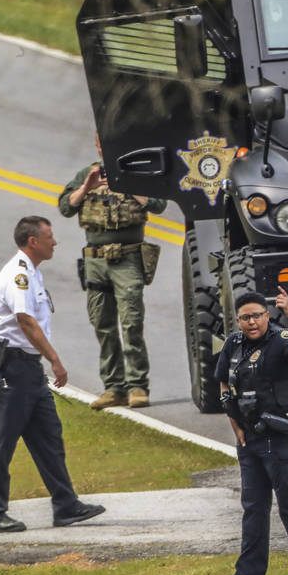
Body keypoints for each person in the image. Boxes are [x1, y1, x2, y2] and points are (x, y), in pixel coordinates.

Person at [0, 216, 105, 533]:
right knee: (3, 441)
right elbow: (26, 321)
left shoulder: (32, 273)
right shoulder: (18, 275)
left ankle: (65, 505)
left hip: (29, 369)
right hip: (12, 368)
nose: (55, 242)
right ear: (33, 241)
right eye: (49, 237)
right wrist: (55, 360)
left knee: (49, 436)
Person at [211, 287, 288, 575]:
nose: (252, 323)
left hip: (282, 434)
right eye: (245, 318)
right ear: (238, 320)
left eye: (257, 316)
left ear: (266, 315)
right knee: (254, 507)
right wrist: (235, 425)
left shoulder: (281, 339)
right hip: (250, 438)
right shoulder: (233, 344)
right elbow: (223, 381)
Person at [57, 135, 166, 410]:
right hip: (96, 261)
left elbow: (159, 203)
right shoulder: (88, 172)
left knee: (131, 322)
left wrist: (130, 187)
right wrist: (87, 186)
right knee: (102, 324)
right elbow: (65, 206)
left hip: (128, 257)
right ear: (98, 145)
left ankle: (138, 385)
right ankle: (113, 387)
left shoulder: (137, 173)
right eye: (103, 143)